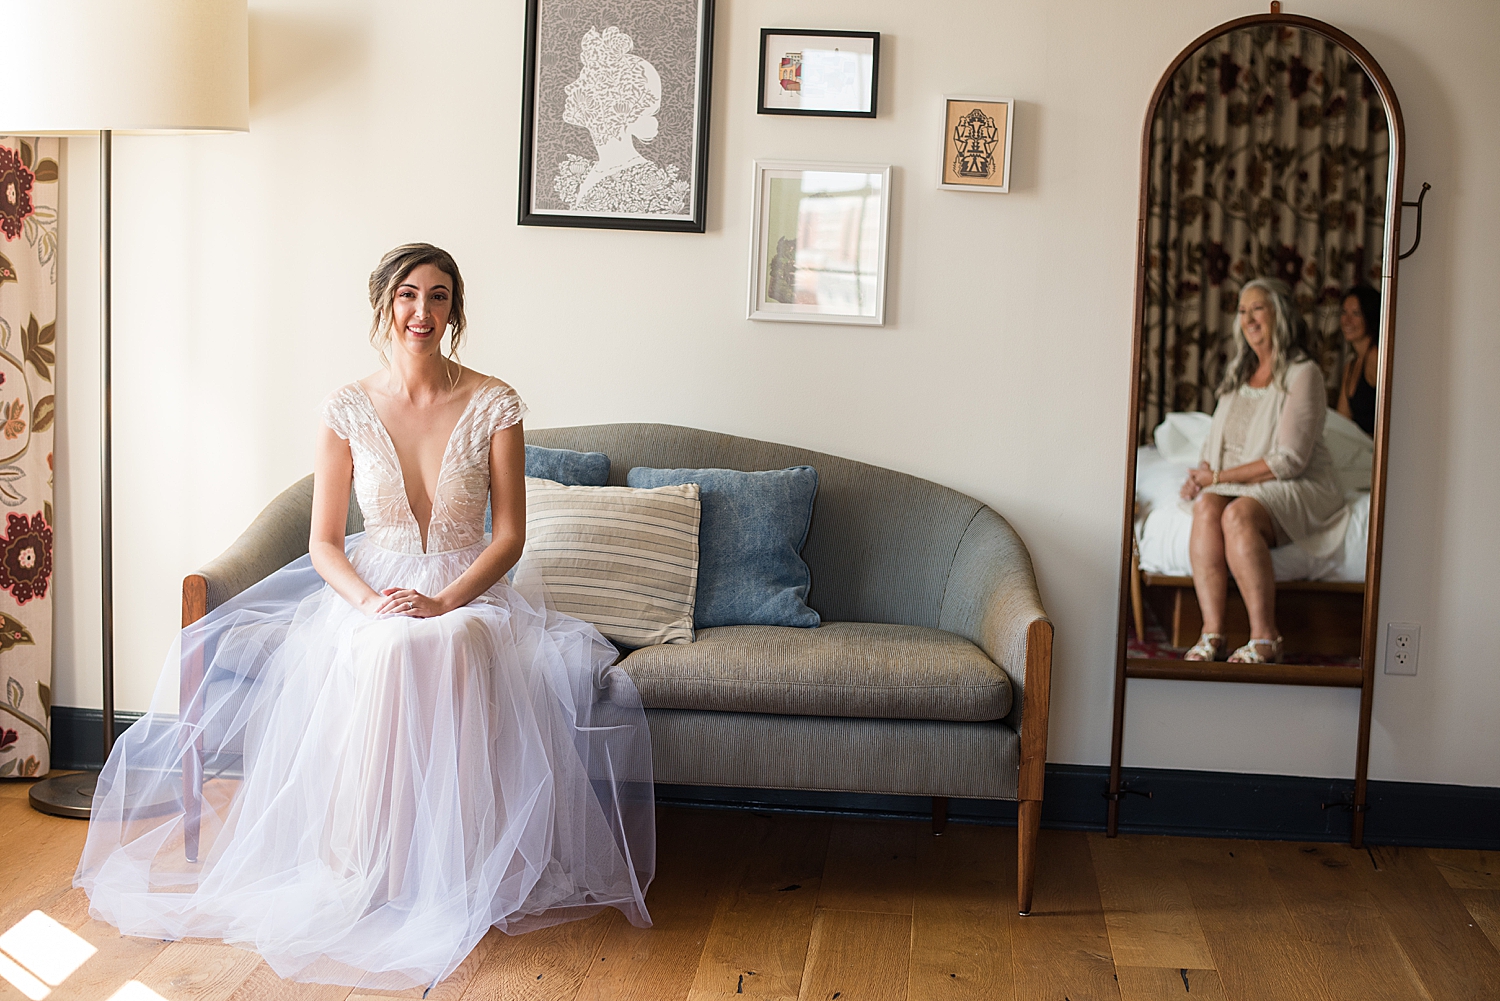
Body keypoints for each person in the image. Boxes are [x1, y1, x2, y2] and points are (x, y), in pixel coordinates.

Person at [75, 244, 655, 990]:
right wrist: (371, 601)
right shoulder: (347, 407)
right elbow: (322, 543)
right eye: (409, 295)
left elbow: (509, 536)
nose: (423, 312)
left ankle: (452, 863)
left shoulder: (495, 403)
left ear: (456, 310)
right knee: (385, 646)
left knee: (446, 639)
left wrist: (446, 599)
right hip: (369, 587)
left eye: (439, 297)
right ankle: (369, 864)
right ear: (383, 303)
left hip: (466, 587)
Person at [1178, 277, 1350, 664]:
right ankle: (1212, 634)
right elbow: (1216, 443)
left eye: (1258, 308)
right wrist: (1204, 472)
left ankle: (1266, 637)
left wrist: (1219, 479)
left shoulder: (1302, 374)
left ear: (1280, 314)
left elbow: (1289, 460)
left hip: (1299, 483)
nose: (1249, 318)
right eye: (1242, 311)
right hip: (1238, 483)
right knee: (1207, 507)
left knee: (1237, 513)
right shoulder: (1237, 376)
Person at [552, 25, 689, 214]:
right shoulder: (580, 171)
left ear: (607, 98)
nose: (569, 87)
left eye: (583, 81)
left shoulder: (644, 183)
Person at [1335, 283, 1381, 436]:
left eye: (1356, 314)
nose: (1347, 320)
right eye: (1344, 312)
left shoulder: (1376, 357)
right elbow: (1342, 421)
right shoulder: (1351, 366)